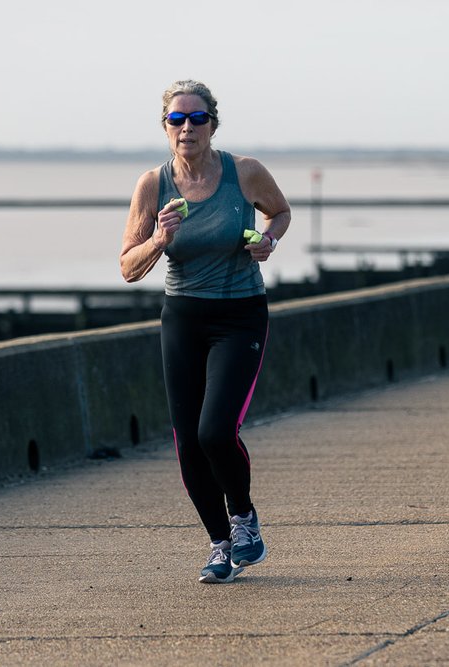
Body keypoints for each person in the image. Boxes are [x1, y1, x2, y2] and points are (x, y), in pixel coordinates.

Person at [119, 80, 291, 584]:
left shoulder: (246, 173)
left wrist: (267, 240)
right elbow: (128, 267)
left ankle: (243, 518)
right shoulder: (153, 185)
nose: (187, 127)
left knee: (215, 430)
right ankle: (219, 545)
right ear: (165, 126)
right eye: (177, 119)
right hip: (183, 318)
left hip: (240, 315)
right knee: (187, 442)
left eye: (197, 119)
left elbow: (279, 213)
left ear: (213, 124)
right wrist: (159, 237)